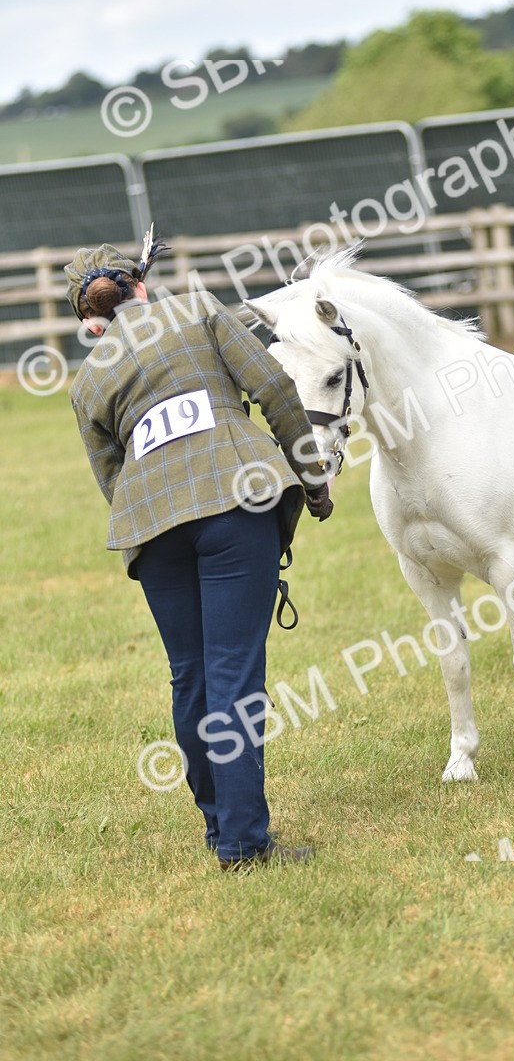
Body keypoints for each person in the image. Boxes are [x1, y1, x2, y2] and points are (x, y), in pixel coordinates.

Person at [64, 231, 333, 871]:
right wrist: (313, 479)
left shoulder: (86, 380)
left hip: (151, 528)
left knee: (191, 675)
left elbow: (111, 476)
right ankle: (243, 844)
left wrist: (153, 514)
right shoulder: (198, 308)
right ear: (141, 284)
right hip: (235, 503)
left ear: (91, 320)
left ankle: (219, 828)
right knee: (235, 673)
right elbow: (273, 387)